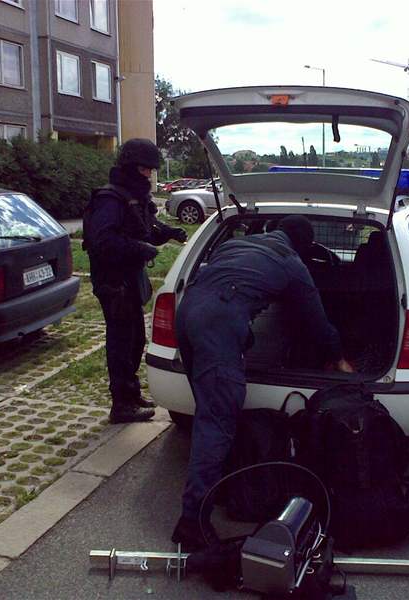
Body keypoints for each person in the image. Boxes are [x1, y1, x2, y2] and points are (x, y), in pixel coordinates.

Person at [171, 215, 354, 550]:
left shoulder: (236, 242)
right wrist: (339, 357)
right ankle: (192, 521)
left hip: (186, 313)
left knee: (210, 411)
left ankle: (221, 479)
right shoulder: (291, 262)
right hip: (218, 324)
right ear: (304, 244)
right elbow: (316, 319)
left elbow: (220, 282)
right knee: (217, 421)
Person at [83, 138, 188, 423]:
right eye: (144, 169)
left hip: (130, 279)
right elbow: (102, 241)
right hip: (114, 282)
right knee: (121, 343)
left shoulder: (133, 197)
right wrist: (140, 249)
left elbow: (144, 230)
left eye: (151, 170)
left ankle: (131, 394)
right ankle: (121, 405)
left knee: (135, 340)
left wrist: (168, 233)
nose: (148, 175)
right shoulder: (110, 199)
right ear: (131, 167)